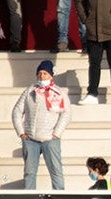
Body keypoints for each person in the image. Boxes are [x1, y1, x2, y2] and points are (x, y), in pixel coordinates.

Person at [12, 60, 72, 190]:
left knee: (56, 171)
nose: (41, 76)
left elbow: (66, 114)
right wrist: (21, 132)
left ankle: (59, 197)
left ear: (51, 75)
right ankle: (29, 198)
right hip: (30, 139)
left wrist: (57, 133)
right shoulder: (29, 91)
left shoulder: (59, 92)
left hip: (50, 139)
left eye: (45, 73)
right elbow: (17, 111)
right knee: (29, 172)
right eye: (39, 73)